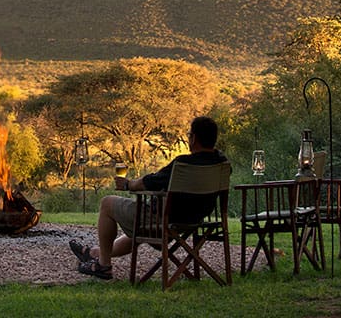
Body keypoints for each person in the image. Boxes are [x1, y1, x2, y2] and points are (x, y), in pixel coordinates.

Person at [70, 115, 229, 280]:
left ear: (194, 138)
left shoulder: (183, 164)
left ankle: (103, 265)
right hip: (195, 220)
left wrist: (127, 185)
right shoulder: (222, 164)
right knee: (136, 230)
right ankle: (93, 253)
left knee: (107, 203)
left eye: (189, 135)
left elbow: (148, 183)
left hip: (163, 219)